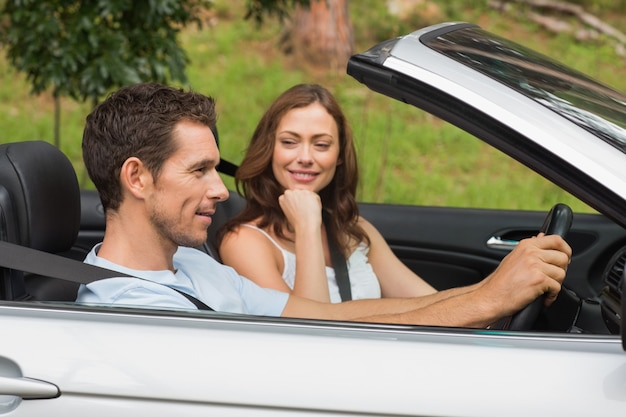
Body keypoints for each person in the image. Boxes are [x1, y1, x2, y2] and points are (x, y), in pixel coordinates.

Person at [76, 82, 571, 329]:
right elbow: (311, 339)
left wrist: (489, 291)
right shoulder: (136, 311)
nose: (222, 190)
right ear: (137, 177)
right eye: (199, 170)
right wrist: (487, 299)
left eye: (215, 169)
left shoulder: (192, 266)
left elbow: (331, 317)